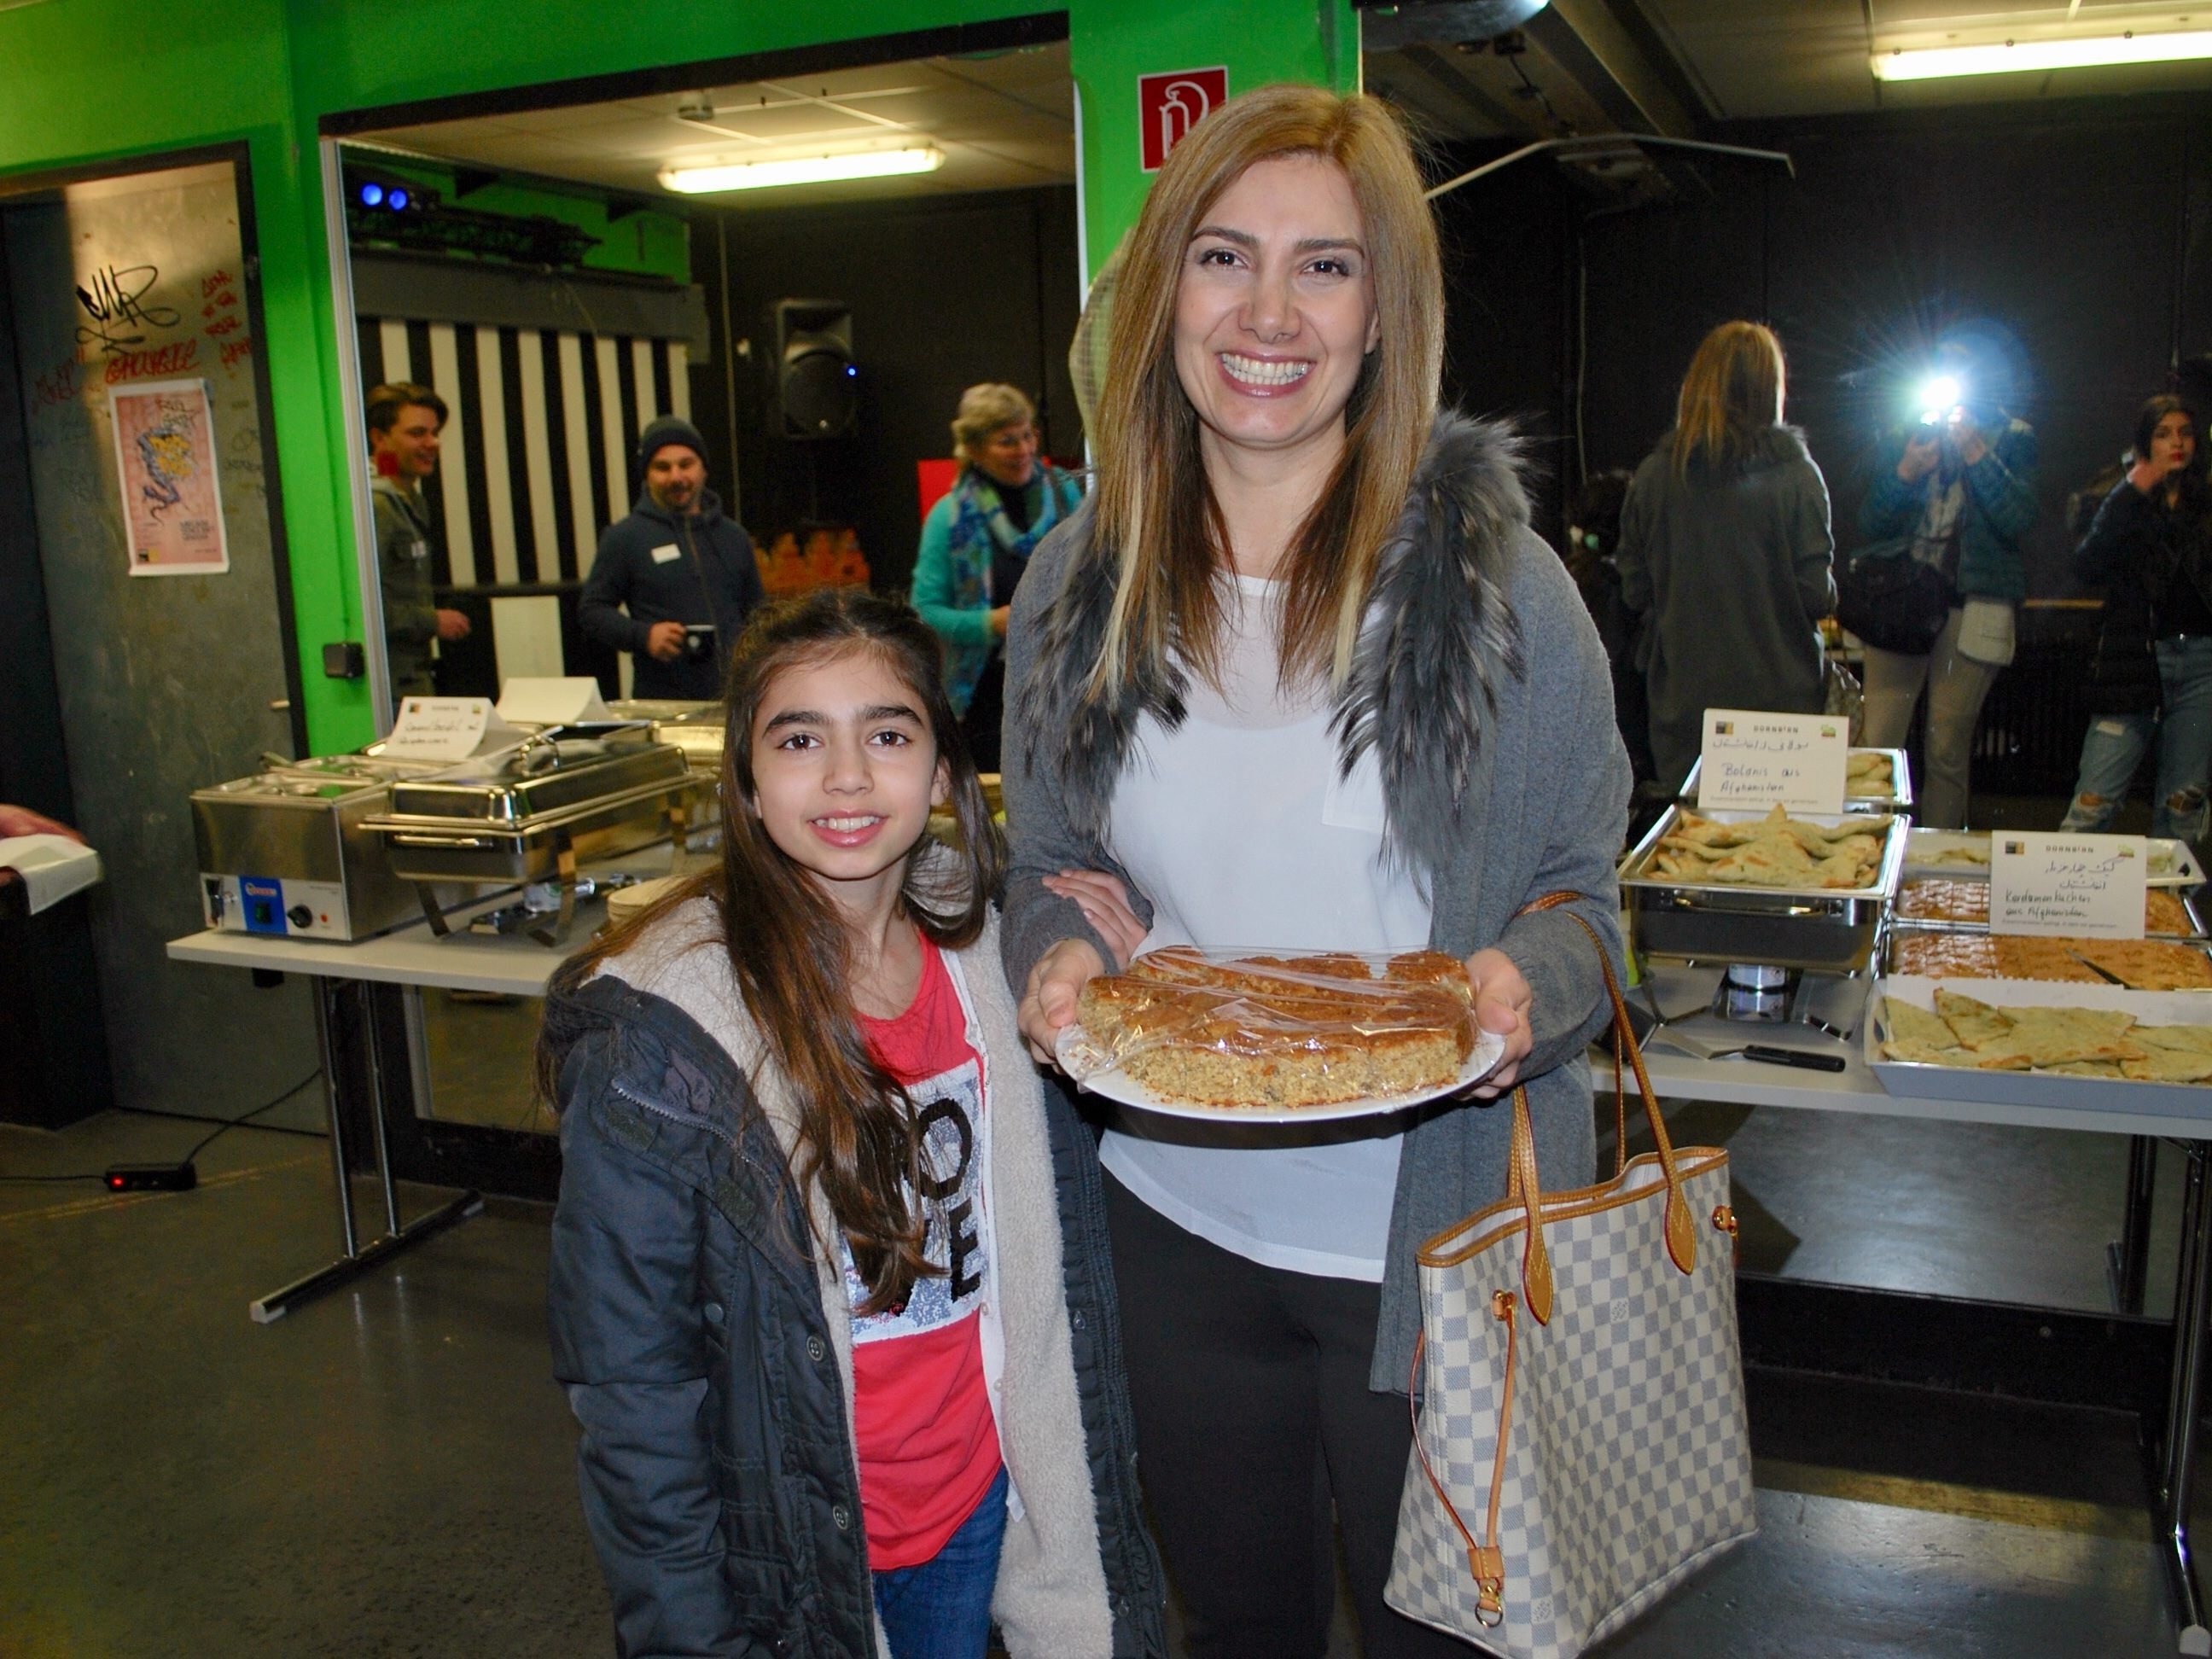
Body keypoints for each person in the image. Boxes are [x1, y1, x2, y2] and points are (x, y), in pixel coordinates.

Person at [1001, 84, 1627, 1659]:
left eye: (1324, 267)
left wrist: (1525, 990)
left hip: (1430, 1237)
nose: (1267, 311)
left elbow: (1585, 896)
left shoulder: (1498, 590)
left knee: (1450, 1635)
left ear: (1380, 316)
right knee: (1238, 1619)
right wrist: (1051, 959)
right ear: (1162, 296)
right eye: (1223, 256)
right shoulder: (1080, 580)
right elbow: (1051, 862)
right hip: (1170, 1222)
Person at [540, 589, 1163, 1659]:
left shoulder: (991, 961)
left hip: (975, 1502)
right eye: (799, 738)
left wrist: (1107, 953)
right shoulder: (666, 1041)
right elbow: (634, 1392)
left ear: (940, 772)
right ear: (745, 777)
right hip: (806, 1544)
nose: (846, 776)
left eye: (887, 733)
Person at [1615, 322, 1836, 795]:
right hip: (1783, 721)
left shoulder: (1655, 477)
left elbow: (1634, 591)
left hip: (1685, 714)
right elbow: (1817, 596)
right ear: (1770, 389)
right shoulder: (1798, 477)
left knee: (1691, 851)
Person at [1854, 364, 2037, 829]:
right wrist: (1907, 470)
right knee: (1878, 742)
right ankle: (1870, 853)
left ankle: (1934, 869)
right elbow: (1871, 522)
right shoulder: (1908, 432)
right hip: (1901, 605)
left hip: (1972, 607)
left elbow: (2018, 519)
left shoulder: (2014, 436)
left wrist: (1976, 452)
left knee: (1947, 749)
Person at [2061, 394, 2212, 841]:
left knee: (2183, 808)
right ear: (2146, 442)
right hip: (2134, 659)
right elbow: (2086, 565)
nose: (2177, 443)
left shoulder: (2204, 504)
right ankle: (2062, 905)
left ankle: (2167, 910)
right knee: (2094, 804)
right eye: (2164, 434)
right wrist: (2132, 490)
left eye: (2185, 432)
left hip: (2202, 662)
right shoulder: (2123, 496)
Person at [911, 384, 1084, 771]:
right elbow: (925, 610)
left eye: (1028, 435)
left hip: (1064, 685)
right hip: (987, 699)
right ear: (974, 450)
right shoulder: (950, 517)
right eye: (1007, 441)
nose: (1024, 449)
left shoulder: (1065, 494)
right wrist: (991, 624)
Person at [579, 416, 765, 702]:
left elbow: (759, 614)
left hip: (737, 699)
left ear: (703, 469)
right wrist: (644, 635)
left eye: (686, 464)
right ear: (647, 475)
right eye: (662, 467)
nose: (676, 477)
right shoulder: (625, 538)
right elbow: (592, 610)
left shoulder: (734, 536)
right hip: (663, 702)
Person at [365, 382, 470, 704]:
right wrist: (432, 620)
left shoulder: (407, 500)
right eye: (417, 433)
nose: (432, 443)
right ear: (379, 438)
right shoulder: (374, 505)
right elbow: (362, 607)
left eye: (434, 433)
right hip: (386, 688)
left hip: (413, 679)